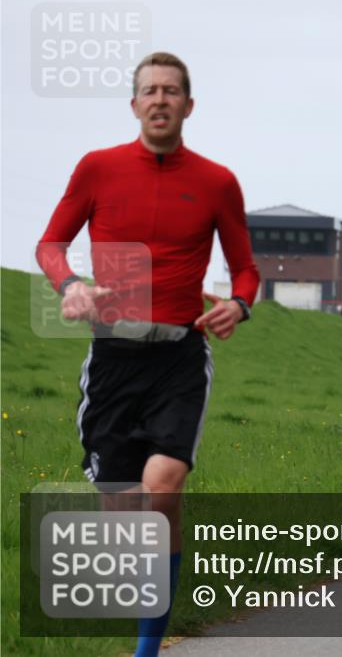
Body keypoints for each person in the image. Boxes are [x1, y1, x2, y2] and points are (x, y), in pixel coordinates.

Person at [35, 52, 260, 657]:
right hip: (113, 356)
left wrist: (239, 305)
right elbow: (51, 243)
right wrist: (70, 285)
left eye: (171, 91)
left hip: (180, 356)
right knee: (123, 507)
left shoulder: (217, 181)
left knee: (164, 486)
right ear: (134, 104)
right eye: (149, 91)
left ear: (188, 105)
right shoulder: (98, 169)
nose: (159, 100)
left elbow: (245, 270)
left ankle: (146, 649)